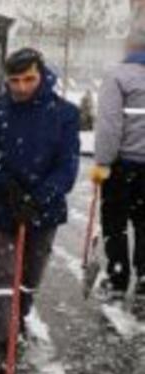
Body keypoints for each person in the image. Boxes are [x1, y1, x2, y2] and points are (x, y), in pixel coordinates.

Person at [0, 48, 80, 374]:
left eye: (28, 79)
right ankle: (6, 343)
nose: (21, 87)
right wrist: (7, 188)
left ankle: (20, 316)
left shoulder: (64, 114)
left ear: (41, 74)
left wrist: (41, 196)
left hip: (44, 210)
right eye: (14, 80)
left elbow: (68, 165)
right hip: (3, 207)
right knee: (5, 276)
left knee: (29, 278)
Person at [90, 11, 145, 313]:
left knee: (115, 223)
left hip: (124, 166)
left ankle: (117, 279)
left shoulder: (118, 76)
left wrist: (103, 162)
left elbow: (110, 125)